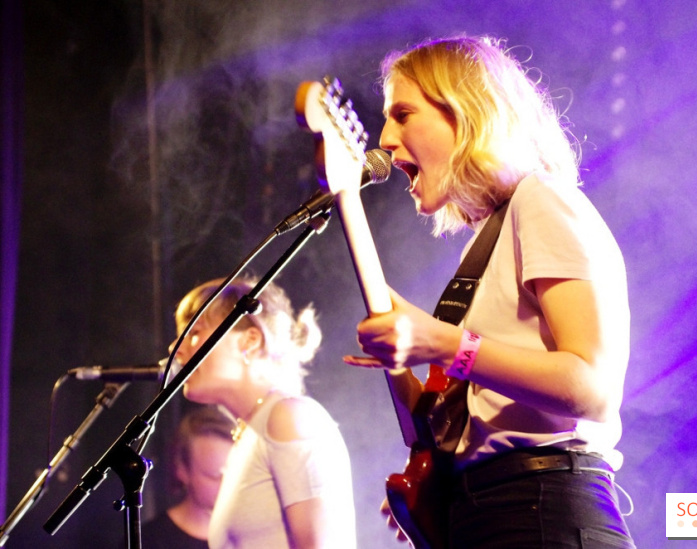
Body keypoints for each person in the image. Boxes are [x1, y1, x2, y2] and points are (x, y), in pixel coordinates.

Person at [343, 36, 635, 547]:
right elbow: (452, 424)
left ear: (464, 111)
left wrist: (442, 344)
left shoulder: (540, 200)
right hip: (493, 512)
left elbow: (593, 389)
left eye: (403, 113)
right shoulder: (486, 241)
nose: (385, 138)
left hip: (544, 509)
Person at [171, 277, 356, 548]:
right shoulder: (251, 432)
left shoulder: (288, 418)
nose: (176, 349)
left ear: (250, 340)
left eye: (195, 332)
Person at [141, 405, 235, 549]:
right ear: (182, 470)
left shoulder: (252, 533)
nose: (228, 485)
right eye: (215, 476)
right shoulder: (150, 540)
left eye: (235, 474)